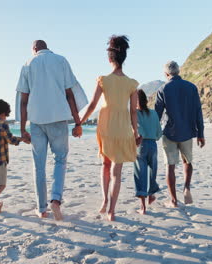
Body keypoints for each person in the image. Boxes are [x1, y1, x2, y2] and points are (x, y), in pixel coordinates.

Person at [15, 40, 88, 221]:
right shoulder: (61, 60)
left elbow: (24, 100)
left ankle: (41, 209)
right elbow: (69, 94)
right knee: (60, 160)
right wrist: (78, 123)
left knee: (38, 165)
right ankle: (55, 199)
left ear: (34, 50)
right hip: (58, 119)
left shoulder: (27, 65)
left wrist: (23, 128)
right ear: (47, 47)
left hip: (37, 122)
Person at [80, 35, 139, 221]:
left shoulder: (103, 80)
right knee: (116, 172)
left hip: (106, 128)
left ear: (110, 59)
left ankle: (105, 200)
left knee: (105, 165)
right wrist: (136, 132)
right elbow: (133, 113)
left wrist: (80, 122)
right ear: (124, 58)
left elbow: (92, 105)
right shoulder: (131, 83)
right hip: (122, 129)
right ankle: (112, 211)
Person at [155, 61, 205, 208]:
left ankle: (173, 200)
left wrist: (152, 133)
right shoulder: (191, 87)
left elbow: (157, 115)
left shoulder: (163, 89)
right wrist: (200, 133)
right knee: (187, 161)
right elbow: (198, 111)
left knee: (170, 166)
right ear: (179, 71)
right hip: (188, 131)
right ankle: (187, 187)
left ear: (166, 74)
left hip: (169, 132)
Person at [133, 89, 162, 215]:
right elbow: (159, 133)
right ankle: (151, 194)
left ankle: (143, 207)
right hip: (153, 145)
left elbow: (138, 130)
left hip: (141, 145)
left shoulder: (134, 114)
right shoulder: (154, 113)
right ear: (146, 100)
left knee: (140, 174)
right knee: (152, 171)